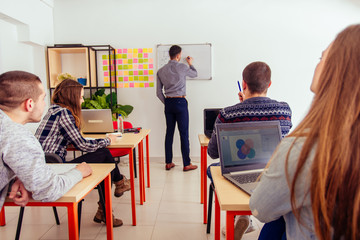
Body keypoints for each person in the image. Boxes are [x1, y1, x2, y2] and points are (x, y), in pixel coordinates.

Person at [250, 24, 360, 240]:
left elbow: (260, 208)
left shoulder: (304, 149)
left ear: (337, 70)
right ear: (269, 84)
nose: (317, 65)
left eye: (321, 58)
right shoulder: (284, 108)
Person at [207, 61, 292, 239]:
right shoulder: (284, 110)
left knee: (212, 168)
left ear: (244, 84)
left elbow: (213, 153)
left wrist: (241, 105)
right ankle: (250, 218)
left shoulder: (227, 114)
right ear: (269, 84)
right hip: (273, 172)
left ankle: (242, 215)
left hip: (238, 171)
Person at [35, 79, 130, 227]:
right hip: (54, 169)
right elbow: (82, 145)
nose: (83, 99)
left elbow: (72, 140)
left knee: (104, 162)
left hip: (44, 166)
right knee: (104, 154)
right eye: (80, 96)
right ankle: (118, 184)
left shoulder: (53, 110)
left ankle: (110, 199)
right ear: (72, 97)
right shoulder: (64, 113)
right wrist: (108, 140)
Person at [0, 71, 92, 210]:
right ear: (29, 104)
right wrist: (79, 172)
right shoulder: (18, 136)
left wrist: (18, 176)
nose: (45, 105)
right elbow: (49, 190)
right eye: (43, 98)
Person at [156, 45, 198, 171]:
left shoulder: (161, 71)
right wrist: (190, 63)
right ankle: (186, 164)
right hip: (180, 102)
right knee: (183, 133)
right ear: (179, 55)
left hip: (168, 103)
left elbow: (158, 93)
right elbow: (195, 74)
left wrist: (168, 102)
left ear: (170, 55)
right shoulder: (183, 67)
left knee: (169, 133)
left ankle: (168, 162)